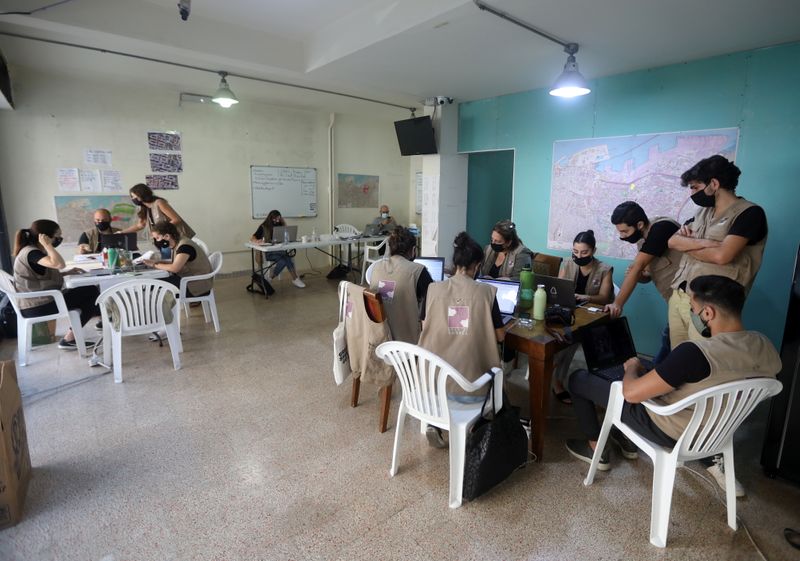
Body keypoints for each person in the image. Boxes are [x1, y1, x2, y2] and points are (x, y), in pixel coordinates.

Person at [565, 275, 781, 481]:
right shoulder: (764, 344)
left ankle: (594, 447)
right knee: (652, 369)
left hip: (669, 429)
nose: (691, 314)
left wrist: (632, 368)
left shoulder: (695, 352)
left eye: (692, 309)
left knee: (579, 379)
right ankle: (624, 438)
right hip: (717, 431)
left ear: (708, 313)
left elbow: (631, 394)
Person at [666, 155, 768, 496]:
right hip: (683, 298)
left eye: (696, 187)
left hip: (713, 310)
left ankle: (715, 457)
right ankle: (680, 435)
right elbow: (673, 243)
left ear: (714, 184)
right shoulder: (704, 213)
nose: (693, 194)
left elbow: (725, 258)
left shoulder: (750, 214)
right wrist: (709, 245)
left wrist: (695, 245)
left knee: (711, 381)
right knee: (680, 370)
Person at [417, 232, 508, 447]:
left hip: (431, 388)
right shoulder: (486, 292)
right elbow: (500, 336)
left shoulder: (433, 289)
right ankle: (477, 427)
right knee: (496, 377)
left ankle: (435, 422)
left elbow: (425, 326)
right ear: (477, 265)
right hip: (471, 392)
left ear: (455, 263)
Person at [605, 201, 681, 363]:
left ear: (639, 224)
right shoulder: (642, 241)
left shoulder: (662, 228)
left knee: (674, 343)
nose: (622, 236)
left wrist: (617, 303)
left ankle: (655, 377)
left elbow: (638, 266)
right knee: (669, 341)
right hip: (674, 300)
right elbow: (647, 276)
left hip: (691, 297)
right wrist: (639, 276)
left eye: (625, 231)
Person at [12, 219, 99, 350]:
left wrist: (66, 273)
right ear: (46, 237)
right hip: (38, 306)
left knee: (87, 292)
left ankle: (71, 337)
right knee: (92, 292)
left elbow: (40, 276)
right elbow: (59, 264)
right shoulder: (32, 253)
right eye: (57, 236)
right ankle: (70, 339)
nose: (59, 238)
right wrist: (48, 246)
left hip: (35, 303)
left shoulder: (31, 251)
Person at [552, 230, 614, 402]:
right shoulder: (567, 264)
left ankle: (557, 380)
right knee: (561, 336)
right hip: (570, 312)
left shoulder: (604, 269)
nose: (579, 256)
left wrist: (587, 297)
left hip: (592, 317)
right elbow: (558, 287)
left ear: (593, 251)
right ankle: (554, 375)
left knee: (569, 340)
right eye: (575, 251)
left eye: (584, 252)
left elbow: (604, 297)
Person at [368, 227, 433, 344]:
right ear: (413, 250)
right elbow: (435, 300)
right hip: (407, 343)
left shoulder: (376, 268)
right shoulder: (417, 270)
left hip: (380, 339)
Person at [143, 221, 212, 298]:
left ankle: (157, 308)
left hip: (196, 285)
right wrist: (158, 262)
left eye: (157, 238)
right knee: (152, 283)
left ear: (167, 236)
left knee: (152, 284)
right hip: (188, 280)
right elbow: (176, 262)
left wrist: (154, 264)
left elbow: (174, 268)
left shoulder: (184, 247)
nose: (156, 241)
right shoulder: (178, 241)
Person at [250, 210, 305, 288]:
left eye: (279, 219)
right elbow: (253, 237)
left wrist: (283, 222)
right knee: (287, 258)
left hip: (280, 251)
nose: (277, 221)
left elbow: (287, 233)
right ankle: (295, 279)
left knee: (284, 260)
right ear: (270, 218)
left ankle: (270, 278)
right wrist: (257, 240)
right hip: (269, 253)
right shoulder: (263, 226)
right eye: (275, 219)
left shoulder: (280, 224)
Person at [120, 183, 196, 240]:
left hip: (177, 238)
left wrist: (159, 231)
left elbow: (176, 219)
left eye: (133, 196)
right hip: (164, 239)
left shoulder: (159, 202)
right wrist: (121, 233)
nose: (133, 199)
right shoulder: (144, 208)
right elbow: (140, 225)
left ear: (141, 194)